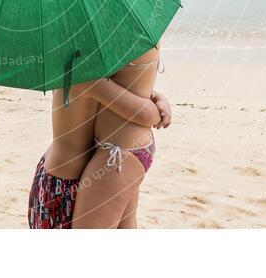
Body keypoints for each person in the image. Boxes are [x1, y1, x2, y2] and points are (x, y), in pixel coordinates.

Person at [27, 50, 170, 229]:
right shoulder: (85, 75)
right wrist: (159, 109)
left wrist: (155, 95)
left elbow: (118, 86)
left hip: (55, 172)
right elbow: (146, 115)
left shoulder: (71, 62)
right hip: (62, 185)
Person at [72, 47, 163, 228]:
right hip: (128, 146)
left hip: (118, 153)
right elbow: (129, 79)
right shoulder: (135, 25)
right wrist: (155, 96)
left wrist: (155, 110)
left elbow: (146, 114)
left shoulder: (114, 29)